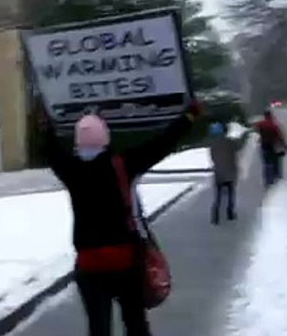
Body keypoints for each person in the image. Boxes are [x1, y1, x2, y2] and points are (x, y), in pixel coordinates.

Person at [40, 103, 200, 336]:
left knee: (98, 327)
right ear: (105, 138)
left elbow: (51, 151)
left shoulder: (71, 170)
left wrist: (46, 127)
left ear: (78, 142)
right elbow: (161, 144)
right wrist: (189, 116)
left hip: (89, 264)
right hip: (125, 261)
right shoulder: (122, 165)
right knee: (135, 323)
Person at [208, 122, 241, 224]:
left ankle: (215, 216)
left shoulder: (212, 145)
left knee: (218, 196)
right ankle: (230, 213)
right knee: (231, 193)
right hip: (230, 171)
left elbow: (213, 158)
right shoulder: (229, 142)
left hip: (219, 173)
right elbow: (237, 148)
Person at [254, 110, 287, 187]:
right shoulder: (273, 125)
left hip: (264, 145)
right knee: (274, 161)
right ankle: (274, 177)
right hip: (273, 145)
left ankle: (267, 179)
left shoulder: (261, 124)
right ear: (270, 116)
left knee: (266, 163)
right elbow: (280, 136)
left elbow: (256, 129)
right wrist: (284, 145)